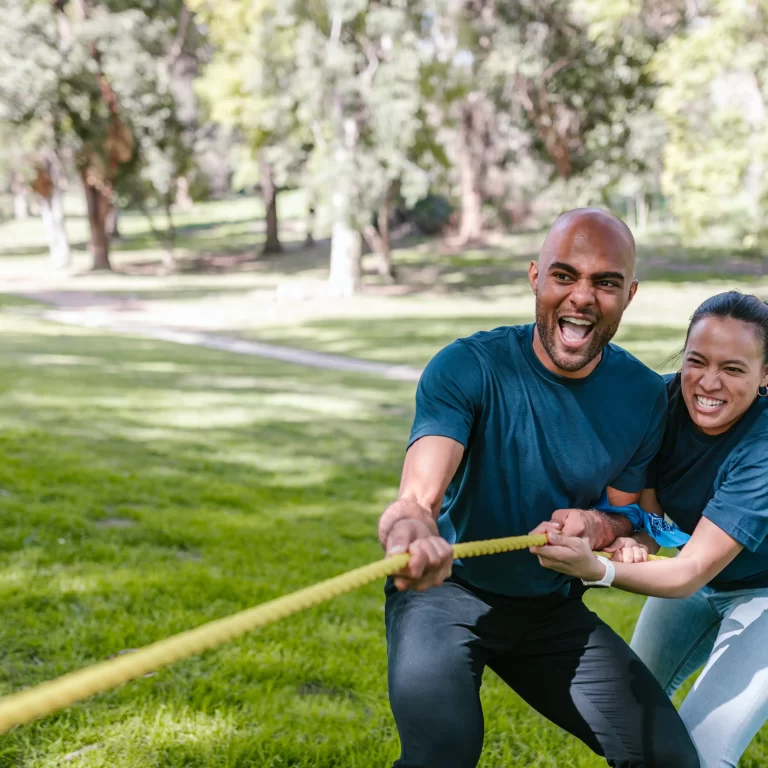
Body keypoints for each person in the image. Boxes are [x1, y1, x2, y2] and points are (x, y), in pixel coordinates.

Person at [377, 208, 699, 768]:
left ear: (630, 295)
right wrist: (412, 532)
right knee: (443, 754)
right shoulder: (468, 367)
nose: (582, 297)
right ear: (534, 277)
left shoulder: (645, 396)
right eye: (564, 275)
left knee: (668, 759)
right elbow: (416, 498)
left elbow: (627, 517)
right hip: (445, 593)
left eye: (605, 283)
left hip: (550, 610)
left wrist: (600, 526)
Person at [532, 291, 768, 767]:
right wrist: (633, 538)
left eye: (734, 369)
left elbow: (689, 573)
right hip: (700, 575)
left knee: (701, 754)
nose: (709, 382)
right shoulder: (661, 404)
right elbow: (652, 515)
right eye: (696, 361)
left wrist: (596, 568)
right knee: (629, 719)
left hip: (760, 595)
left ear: (766, 375)